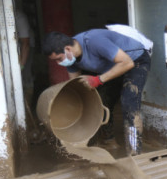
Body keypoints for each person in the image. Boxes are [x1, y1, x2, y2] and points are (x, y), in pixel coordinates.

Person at [42, 28, 152, 156]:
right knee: (102, 101)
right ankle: (108, 141)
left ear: (67, 49)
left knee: (129, 103)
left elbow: (127, 63)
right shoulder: (71, 60)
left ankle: (135, 152)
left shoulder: (94, 41)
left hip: (135, 60)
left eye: (58, 59)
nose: (58, 63)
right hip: (111, 66)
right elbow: (77, 87)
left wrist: (98, 80)